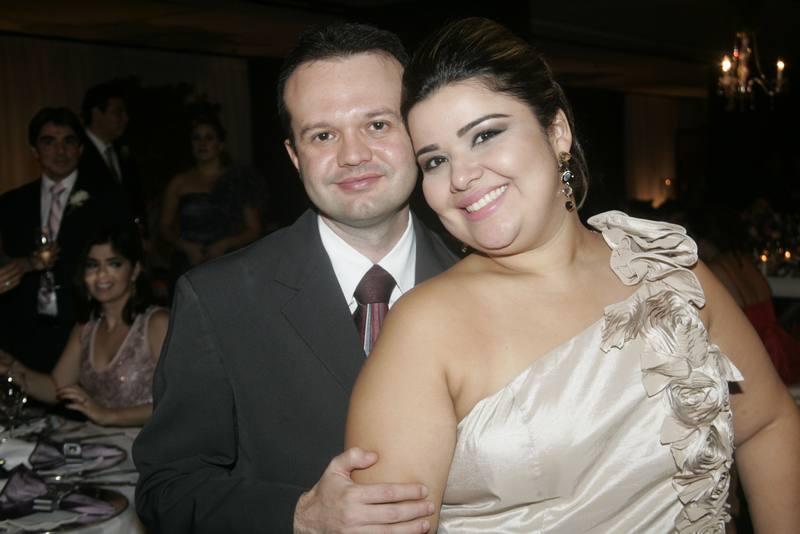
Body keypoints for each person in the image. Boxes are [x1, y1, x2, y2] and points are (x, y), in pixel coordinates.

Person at [346, 18, 800, 532]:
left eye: (486, 135)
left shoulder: (669, 271)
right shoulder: (424, 328)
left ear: (557, 132)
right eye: (434, 161)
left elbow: (768, 422)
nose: (461, 176)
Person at [133, 22, 456, 533]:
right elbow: (166, 489)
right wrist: (300, 516)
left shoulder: (484, 282)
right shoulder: (218, 299)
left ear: (417, 130)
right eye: (323, 135)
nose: (353, 155)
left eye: (377, 124)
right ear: (294, 156)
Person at [0, 107, 129, 372]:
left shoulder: (107, 198)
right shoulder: (11, 203)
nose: (60, 151)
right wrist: (24, 264)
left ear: (80, 149)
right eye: (49, 142)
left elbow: (124, 257)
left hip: (85, 322)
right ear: (34, 150)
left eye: (68, 141)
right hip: (22, 328)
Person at [0, 223, 168, 426]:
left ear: (135, 271)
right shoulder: (86, 328)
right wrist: (11, 368)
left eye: (114, 264)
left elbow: (181, 400)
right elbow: (56, 389)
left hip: (150, 442)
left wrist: (108, 416)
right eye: (93, 265)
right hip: (101, 441)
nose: (101, 274)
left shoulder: (157, 323)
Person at [692, 204, 800, 385]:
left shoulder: (712, 272)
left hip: (757, 352)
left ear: (700, 242)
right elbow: (768, 291)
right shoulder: (744, 260)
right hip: (779, 346)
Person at [159, 115, 263, 272]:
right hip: (188, 263)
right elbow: (164, 227)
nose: (202, 143)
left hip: (229, 263)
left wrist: (224, 244)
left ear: (220, 145)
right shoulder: (178, 182)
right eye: (196, 138)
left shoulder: (238, 179)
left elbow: (254, 229)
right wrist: (184, 246)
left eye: (209, 138)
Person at [79, 81, 146, 228]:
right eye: (118, 112)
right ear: (97, 114)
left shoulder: (123, 151)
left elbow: (135, 199)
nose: (125, 118)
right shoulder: (77, 152)